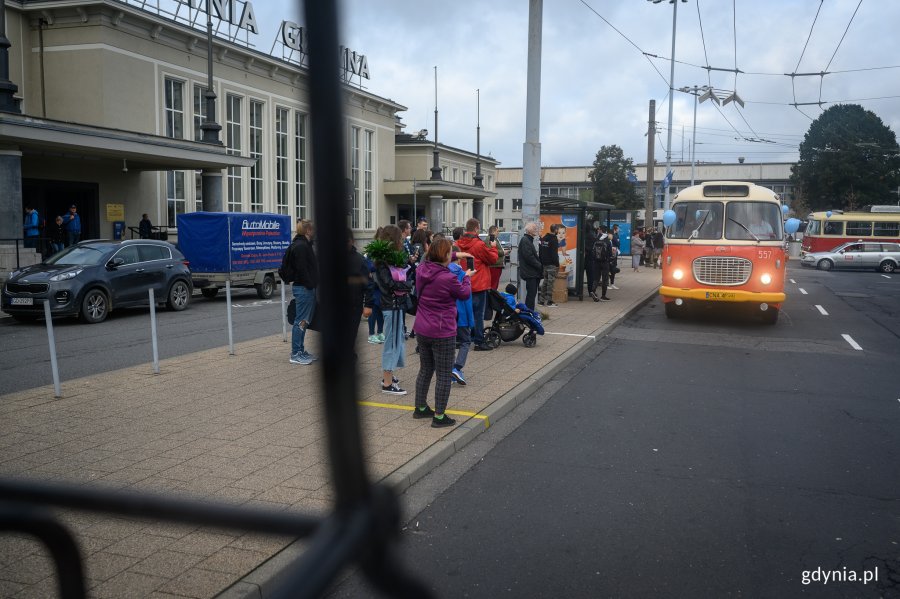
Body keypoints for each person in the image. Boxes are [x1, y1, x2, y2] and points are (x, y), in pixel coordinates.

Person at [412, 238, 472, 428]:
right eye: (450, 253)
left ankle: (420, 408)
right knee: (444, 374)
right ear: (445, 256)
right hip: (442, 331)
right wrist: (468, 277)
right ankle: (439, 417)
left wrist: (456, 254)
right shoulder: (448, 278)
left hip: (422, 328)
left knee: (426, 369)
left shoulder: (421, 269)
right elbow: (464, 293)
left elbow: (435, 257)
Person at [368, 225, 412, 395]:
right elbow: (389, 284)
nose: (402, 241)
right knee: (392, 343)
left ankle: (389, 376)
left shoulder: (388, 259)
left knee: (396, 341)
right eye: (400, 238)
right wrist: (407, 285)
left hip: (395, 305)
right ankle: (387, 383)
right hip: (391, 305)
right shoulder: (382, 262)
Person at [455, 218, 498, 352]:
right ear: (476, 229)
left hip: (462, 282)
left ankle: (461, 338)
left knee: (461, 312)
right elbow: (492, 259)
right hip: (478, 283)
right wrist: (494, 247)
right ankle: (479, 341)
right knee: (478, 314)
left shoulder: (457, 243)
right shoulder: (479, 244)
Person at [287, 219, 318, 365]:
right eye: (313, 229)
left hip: (305, 287)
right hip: (304, 288)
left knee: (304, 321)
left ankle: (300, 350)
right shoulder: (301, 246)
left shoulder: (303, 244)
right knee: (301, 320)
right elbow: (302, 269)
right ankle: (295, 353)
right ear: (308, 231)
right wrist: (310, 284)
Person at [518, 222, 543, 311]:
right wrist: (539, 265)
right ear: (529, 231)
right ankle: (528, 313)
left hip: (532, 273)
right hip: (530, 273)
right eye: (534, 228)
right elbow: (528, 257)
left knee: (532, 295)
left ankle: (530, 313)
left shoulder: (528, 240)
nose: (536, 229)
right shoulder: (525, 240)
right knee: (531, 295)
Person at [484, 224, 505, 319]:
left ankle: (490, 305)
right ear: (493, 231)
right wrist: (503, 252)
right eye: (497, 231)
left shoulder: (495, 239)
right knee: (492, 287)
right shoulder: (490, 239)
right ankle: (490, 305)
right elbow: (493, 251)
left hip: (497, 265)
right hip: (494, 265)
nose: (498, 232)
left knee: (494, 286)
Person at [538, 223, 559, 307]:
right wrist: (557, 264)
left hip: (545, 264)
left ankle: (541, 301)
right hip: (551, 264)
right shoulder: (554, 239)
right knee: (550, 283)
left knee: (545, 282)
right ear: (556, 230)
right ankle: (549, 302)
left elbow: (541, 251)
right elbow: (554, 253)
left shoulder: (544, 238)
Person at [594, 227, 613, 301]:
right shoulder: (608, 241)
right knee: (605, 279)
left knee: (596, 278)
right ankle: (603, 295)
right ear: (607, 233)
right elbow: (610, 253)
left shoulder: (597, 239)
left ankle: (593, 291)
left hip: (596, 262)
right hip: (605, 262)